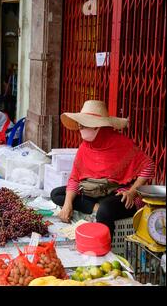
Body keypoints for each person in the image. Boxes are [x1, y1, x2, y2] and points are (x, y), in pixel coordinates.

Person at [51, 100, 155, 236]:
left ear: (97, 126)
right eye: (79, 124)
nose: (79, 127)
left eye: (83, 124)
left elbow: (149, 166)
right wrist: (67, 204)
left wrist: (132, 192)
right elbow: (75, 179)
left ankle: (105, 245)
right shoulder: (84, 147)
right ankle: (95, 208)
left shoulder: (122, 144)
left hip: (119, 194)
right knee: (57, 194)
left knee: (105, 210)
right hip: (93, 192)